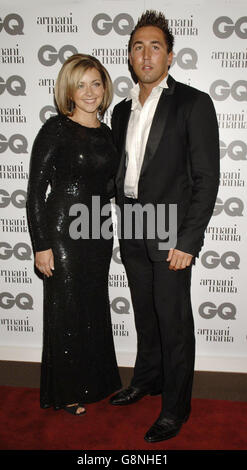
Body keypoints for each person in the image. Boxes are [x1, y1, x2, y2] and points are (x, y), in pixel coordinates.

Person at [109, 11, 219, 442]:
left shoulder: (193, 103)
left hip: (172, 231)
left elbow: (205, 179)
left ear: (170, 56)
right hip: (132, 223)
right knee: (146, 316)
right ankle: (147, 379)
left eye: (155, 46)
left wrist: (188, 240)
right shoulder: (120, 111)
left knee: (174, 323)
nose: (146, 53)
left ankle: (176, 407)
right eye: (138, 46)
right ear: (130, 57)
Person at [26, 54, 121, 416]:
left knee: (93, 307)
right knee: (66, 309)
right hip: (62, 233)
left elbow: (109, 186)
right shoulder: (56, 129)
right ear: (68, 89)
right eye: (80, 84)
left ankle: (95, 384)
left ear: (104, 87)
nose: (89, 92)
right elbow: (36, 191)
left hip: (98, 231)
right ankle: (65, 392)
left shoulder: (108, 134)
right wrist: (41, 245)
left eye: (95, 83)